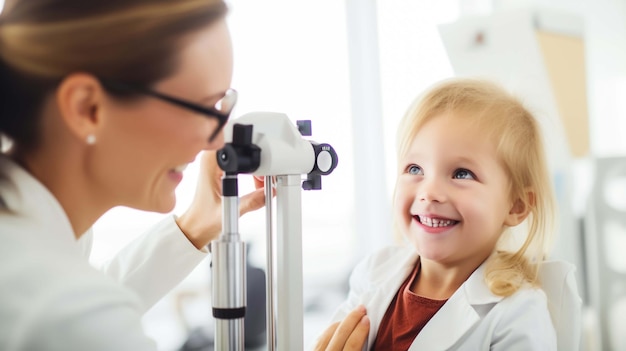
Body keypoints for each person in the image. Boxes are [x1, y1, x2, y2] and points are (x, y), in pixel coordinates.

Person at [0, 0, 267, 350]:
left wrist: (194, 227)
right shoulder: (59, 309)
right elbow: (79, 319)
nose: (216, 141)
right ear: (87, 108)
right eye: (203, 108)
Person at [314, 78, 567, 350]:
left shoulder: (520, 314)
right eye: (414, 169)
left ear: (516, 206)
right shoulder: (372, 272)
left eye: (461, 173)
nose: (429, 191)